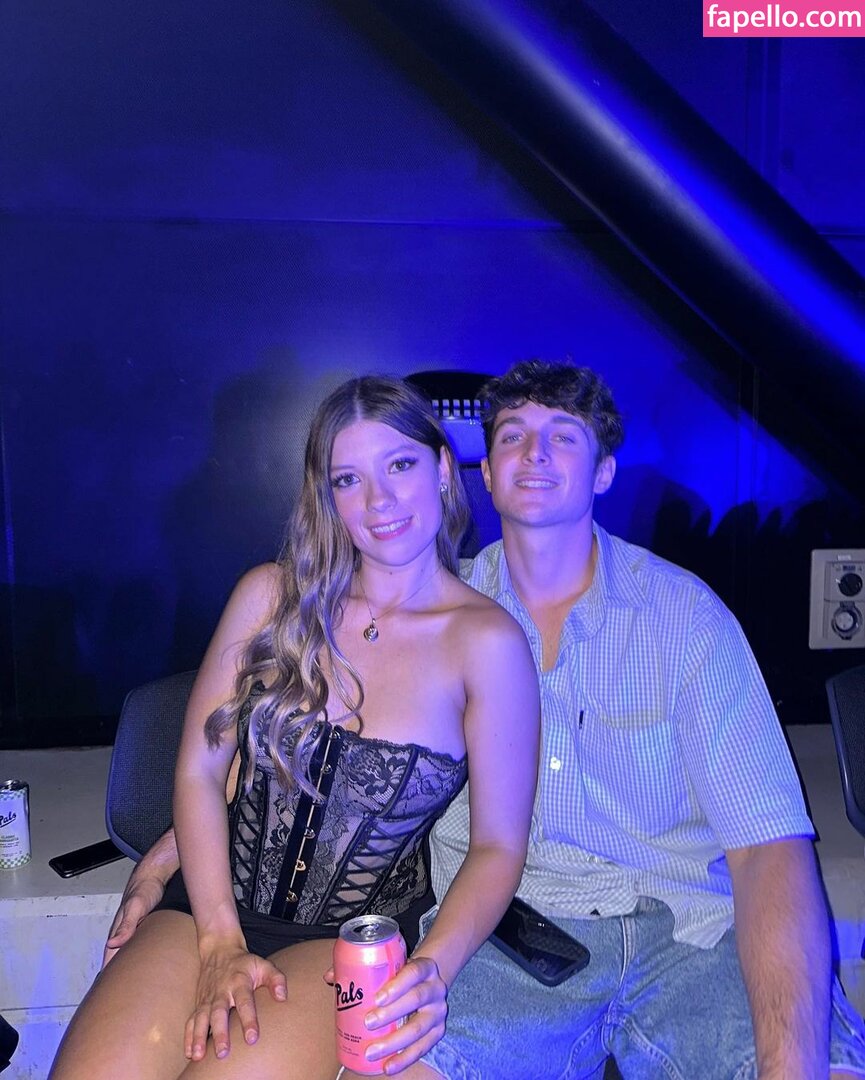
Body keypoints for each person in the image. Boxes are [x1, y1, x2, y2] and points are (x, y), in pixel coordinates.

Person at [100, 359, 865, 1079]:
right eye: (511, 436)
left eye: (562, 435)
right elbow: (268, 767)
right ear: (482, 471)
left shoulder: (685, 618)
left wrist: (791, 1062)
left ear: (603, 470)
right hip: (514, 945)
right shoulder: (431, 605)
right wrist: (165, 861)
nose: (534, 454)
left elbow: (768, 848)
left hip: (688, 932)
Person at [50, 375, 540, 1080]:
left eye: (400, 464)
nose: (378, 500)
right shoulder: (269, 597)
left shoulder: (488, 644)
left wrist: (433, 969)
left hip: (347, 942)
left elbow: (497, 845)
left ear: (441, 468)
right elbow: (199, 770)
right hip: (208, 908)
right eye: (348, 479)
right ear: (326, 496)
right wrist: (219, 939)